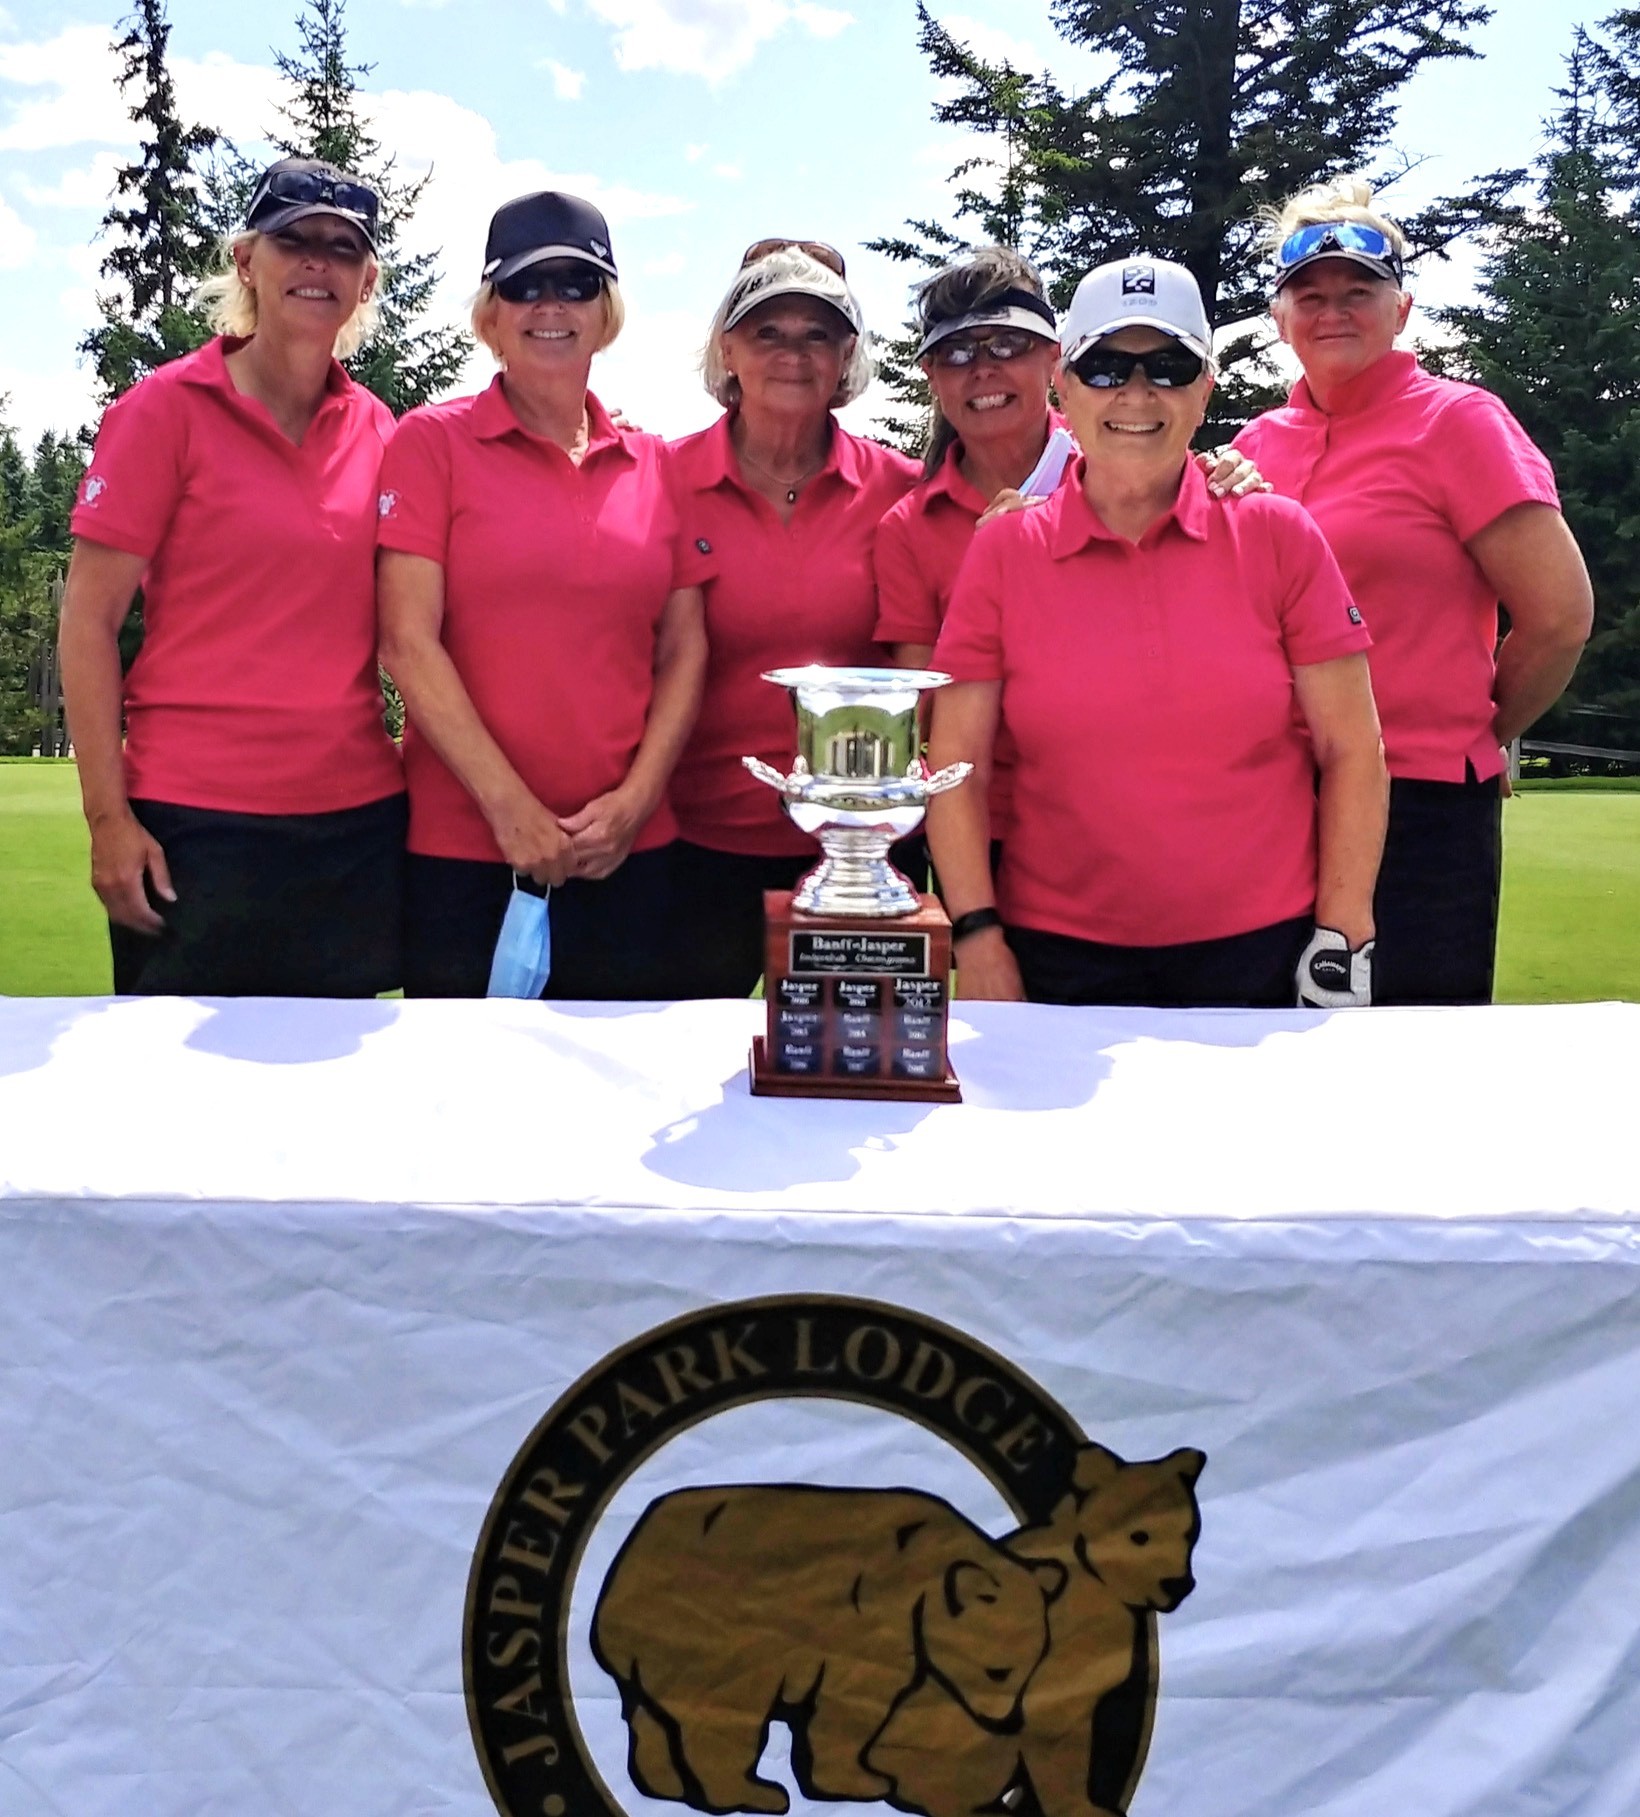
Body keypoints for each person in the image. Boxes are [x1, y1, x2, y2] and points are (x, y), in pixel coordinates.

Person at [926, 257, 1388, 1010]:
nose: (1135, 394)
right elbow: (957, 768)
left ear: (1205, 389)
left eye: (1167, 366)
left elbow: (1353, 752)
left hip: (1261, 953)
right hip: (1058, 956)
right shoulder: (1003, 551)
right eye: (1106, 367)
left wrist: (1340, 933)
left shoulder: (1278, 534)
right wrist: (975, 935)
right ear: (1064, 388)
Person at [1235, 179, 1594, 1005]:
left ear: (1400, 310)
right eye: (1310, 295)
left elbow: (1560, 617)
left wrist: (1481, 729)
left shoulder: (1458, 421)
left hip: (1421, 806)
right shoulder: (1260, 442)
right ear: (1280, 318)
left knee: (1410, 1063)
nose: (1333, 311)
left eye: (1359, 292)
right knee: (1264, 1056)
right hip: (1274, 805)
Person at [58, 157, 406, 997]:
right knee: (186, 1114)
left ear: (365, 283)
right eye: (295, 241)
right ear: (249, 260)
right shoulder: (163, 410)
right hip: (195, 825)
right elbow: (88, 622)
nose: (318, 262)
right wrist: (109, 820)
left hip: (353, 826)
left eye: (343, 247)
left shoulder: (381, 430)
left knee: (334, 1101)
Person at [376, 191, 708, 1000]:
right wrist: (510, 810)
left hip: (629, 854)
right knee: (463, 1112)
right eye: (524, 287)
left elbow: (685, 647)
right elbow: (406, 642)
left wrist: (635, 802)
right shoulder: (431, 443)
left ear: (607, 312)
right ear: (490, 316)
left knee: (622, 1112)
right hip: (466, 855)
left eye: (576, 284)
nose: (551, 306)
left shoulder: (656, 463)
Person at [875, 248, 1268, 855]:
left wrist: (1231, 475)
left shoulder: (1130, 462)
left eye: (1008, 345)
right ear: (931, 375)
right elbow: (917, 720)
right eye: (956, 352)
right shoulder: (911, 525)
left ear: (1055, 360)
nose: (983, 370)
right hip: (1000, 828)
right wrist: (997, 575)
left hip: (1174, 816)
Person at [663, 241, 920, 998]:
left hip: (860, 849)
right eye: (769, 332)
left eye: (818, 334)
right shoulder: (658, 479)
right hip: (689, 846)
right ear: (727, 349)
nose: (793, 353)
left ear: (847, 356)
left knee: (852, 1085)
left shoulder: (902, 489)